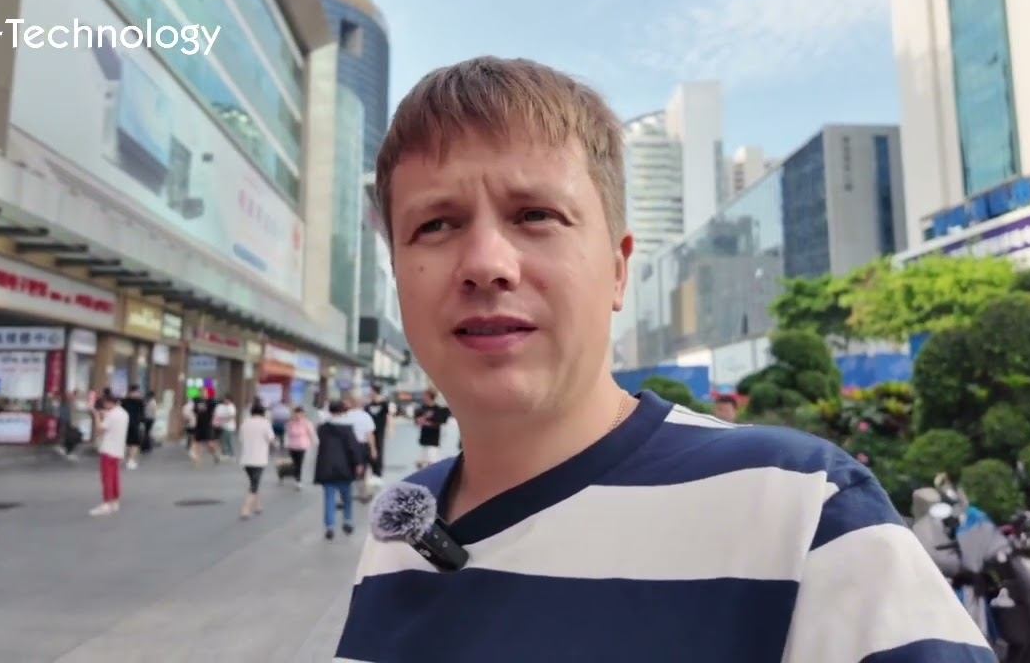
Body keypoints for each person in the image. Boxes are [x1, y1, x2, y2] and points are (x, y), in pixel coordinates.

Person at [334, 57, 992, 661]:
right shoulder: (403, 525)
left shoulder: (805, 517)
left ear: (619, 270)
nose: (486, 264)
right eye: (436, 225)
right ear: (398, 276)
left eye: (535, 215)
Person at [314, 400, 364, 541]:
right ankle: (347, 521)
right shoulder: (347, 428)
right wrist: (359, 463)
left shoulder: (323, 428)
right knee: (347, 497)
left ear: (330, 411)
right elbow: (353, 448)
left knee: (329, 498)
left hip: (327, 467)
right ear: (343, 411)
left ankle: (330, 526)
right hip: (345, 468)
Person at [90, 391, 128, 517]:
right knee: (115, 477)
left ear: (108, 402)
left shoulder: (111, 415)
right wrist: (104, 414)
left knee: (106, 478)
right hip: (118, 450)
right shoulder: (123, 413)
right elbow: (111, 418)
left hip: (108, 449)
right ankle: (115, 501)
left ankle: (106, 503)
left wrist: (96, 415)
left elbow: (100, 429)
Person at [238, 400, 275, 520]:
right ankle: (245, 509)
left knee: (254, 482)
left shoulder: (245, 423)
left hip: (246, 458)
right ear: (263, 413)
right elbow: (271, 439)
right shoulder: (265, 423)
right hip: (259, 459)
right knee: (254, 485)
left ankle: (258, 505)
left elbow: (240, 439)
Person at [344, 395, 379, 501]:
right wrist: (373, 449)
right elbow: (370, 434)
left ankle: (345, 495)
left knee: (348, 470)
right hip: (362, 446)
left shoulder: (345, 415)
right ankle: (363, 494)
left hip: (347, 446)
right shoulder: (365, 416)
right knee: (362, 471)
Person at [279, 406, 315, 490]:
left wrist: (314, 443)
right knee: (294, 463)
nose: (298, 416)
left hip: (302, 446)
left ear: (303, 414)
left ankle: (298, 480)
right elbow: (286, 434)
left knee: (299, 464)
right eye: (296, 414)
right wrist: (285, 444)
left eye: (300, 414)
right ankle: (289, 475)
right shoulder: (290, 423)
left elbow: (311, 434)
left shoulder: (307, 423)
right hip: (292, 446)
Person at [413, 389, 449, 469]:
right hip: (423, 439)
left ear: (430, 396)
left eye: (425, 395)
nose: (423, 397)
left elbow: (438, 423)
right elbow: (417, 422)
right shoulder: (422, 408)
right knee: (420, 464)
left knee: (432, 463)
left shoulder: (438, 409)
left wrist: (426, 422)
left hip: (434, 440)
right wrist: (426, 417)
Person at [364, 386, 392, 478]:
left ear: (375, 392)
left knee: (379, 448)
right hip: (369, 430)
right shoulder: (368, 404)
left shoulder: (384, 403)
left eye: (371, 391)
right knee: (370, 448)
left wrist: (390, 429)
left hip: (380, 430)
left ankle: (378, 471)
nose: (369, 393)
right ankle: (372, 468)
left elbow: (388, 416)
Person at [191, 395, 220, 466]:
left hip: (208, 426)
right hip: (199, 426)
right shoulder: (197, 402)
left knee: (210, 445)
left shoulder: (211, 403)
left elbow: (215, 404)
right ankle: (197, 460)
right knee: (197, 444)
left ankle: (215, 454)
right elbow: (194, 411)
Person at [120, 385, 144, 470]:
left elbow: (142, 414)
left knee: (134, 443)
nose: (138, 394)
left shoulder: (139, 402)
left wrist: (141, 422)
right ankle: (126, 459)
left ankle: (131, 460)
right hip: (127, 424)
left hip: (134, 425)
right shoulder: (125, 401)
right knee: (126, 443)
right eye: (136, 392)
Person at [213, 395, 238, 459]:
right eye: (224, 399)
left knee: (227, 441)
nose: (225, 401)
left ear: (230, 400)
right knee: (224, 441)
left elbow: (232, 416)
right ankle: (228, 453)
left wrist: (223, 420)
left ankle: (230, 454)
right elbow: (217, 415)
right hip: (223, 427)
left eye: (226, 399)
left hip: (229, 427)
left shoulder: (231, 407)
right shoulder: (222, 406)